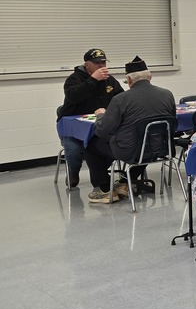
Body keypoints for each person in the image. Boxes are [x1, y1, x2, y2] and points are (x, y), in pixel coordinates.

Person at [84, 56, 176, 203]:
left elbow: (102, 130)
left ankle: (105, 190)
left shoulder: (120, 99)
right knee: (148, 141)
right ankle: (124, 182)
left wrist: (101, 115)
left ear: (129, 80)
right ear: (150, 77)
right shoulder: (167, 94)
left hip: (129, 150)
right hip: (159, 149)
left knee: (90, 147)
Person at [58, 47, 124, 189]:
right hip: (73, 127)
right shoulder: (73, 79)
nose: (101, 67)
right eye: (97, 63)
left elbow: (121, 98)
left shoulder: (110, 80)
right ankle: (73, 173)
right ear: (87, 64)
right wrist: (93, 80)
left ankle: (99, 173)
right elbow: (73, 96)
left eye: (103, 63)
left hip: (99, 125)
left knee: (112, 146)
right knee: (74, 150)